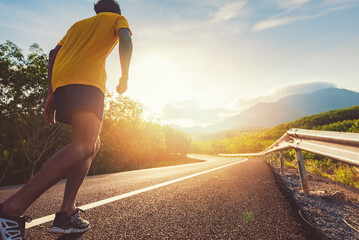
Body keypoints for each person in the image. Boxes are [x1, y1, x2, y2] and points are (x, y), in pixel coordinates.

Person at [0, 0, 133, 238]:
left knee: (92, 144)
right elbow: (126, 39)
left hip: (63, 86)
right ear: (116, 11)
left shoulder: (77, 26)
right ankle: (10, 210)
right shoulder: (116, 20)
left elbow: (53, 53)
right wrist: (125, 76)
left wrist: (51, 94)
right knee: (83, 145)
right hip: (87, 84)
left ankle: (66, 212)